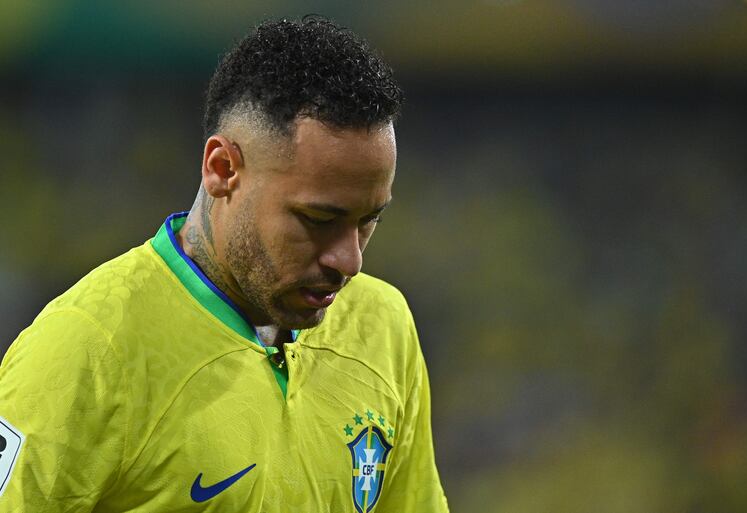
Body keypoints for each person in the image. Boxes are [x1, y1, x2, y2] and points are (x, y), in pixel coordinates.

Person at [0, 17, 449, 512]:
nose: (350, 259)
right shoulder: (86, 350)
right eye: (319, 218)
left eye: (369, 220)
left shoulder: (383, 327)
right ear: (222, 170)